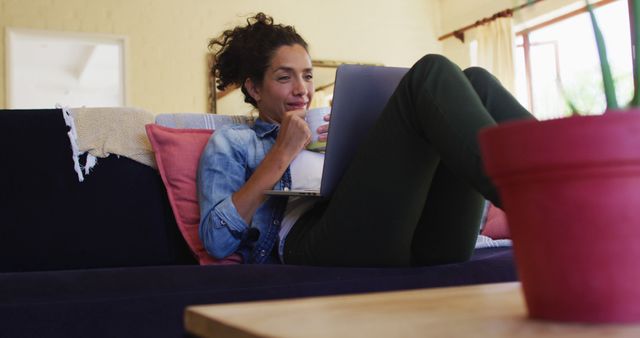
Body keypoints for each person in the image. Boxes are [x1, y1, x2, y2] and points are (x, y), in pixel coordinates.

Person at [197, 12, 535, 267]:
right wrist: (280, 155)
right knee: (431, 71)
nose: (302, 89)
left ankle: (572, 186)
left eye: (308, 76)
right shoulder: (234, 142)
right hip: (309, 240)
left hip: (415, 237)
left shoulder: (330, 129)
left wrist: (359, 142)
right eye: (285, 78)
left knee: (476, 81)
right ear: (254, 88)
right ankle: (544, 208)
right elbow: (216, 240)